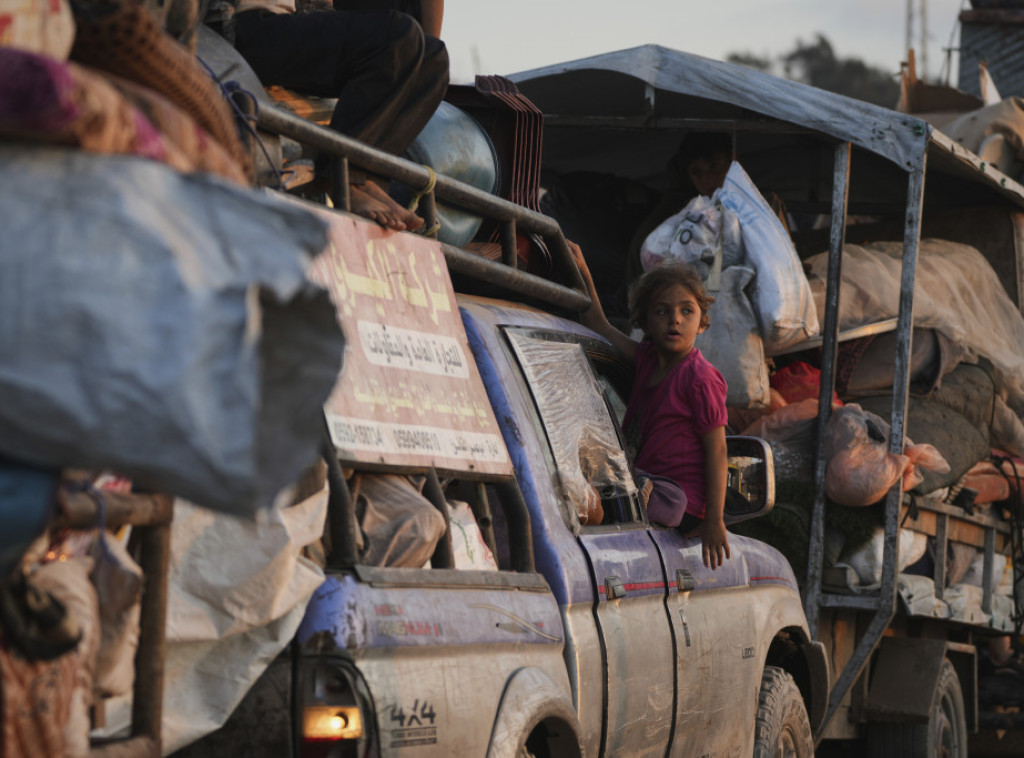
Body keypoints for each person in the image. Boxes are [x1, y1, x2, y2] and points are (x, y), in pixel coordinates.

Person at [208, 0, 449, 230]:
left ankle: (366, 177)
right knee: (396, 33)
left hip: (282, 24)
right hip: (237, 27)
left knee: (433, 57)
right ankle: (343, 178)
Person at [569, 241, 731, 570]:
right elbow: (599, 326)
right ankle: (625, 489)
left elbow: (717, 451)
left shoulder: (700, 379)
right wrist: (582, 271)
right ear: (645, 322)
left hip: (682, 504)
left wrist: (715, 520)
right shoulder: (646, 360)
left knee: (667, 499)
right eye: (662, 311)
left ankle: (627, 491)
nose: (675, 320)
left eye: (687, 311)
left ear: (702, 323)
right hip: (644, 483)